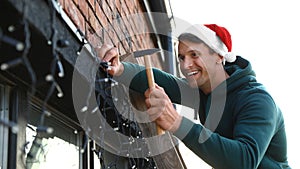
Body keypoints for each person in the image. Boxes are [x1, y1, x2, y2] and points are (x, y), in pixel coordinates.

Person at [97, 24, 290, 169]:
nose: (186, 65)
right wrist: (120, 69)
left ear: (219, 56)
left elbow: (244, 162)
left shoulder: (257, 100)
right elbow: (162, 80)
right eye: (181, 57)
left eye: (194, 55)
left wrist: (176, 123)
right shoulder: (204, 90)